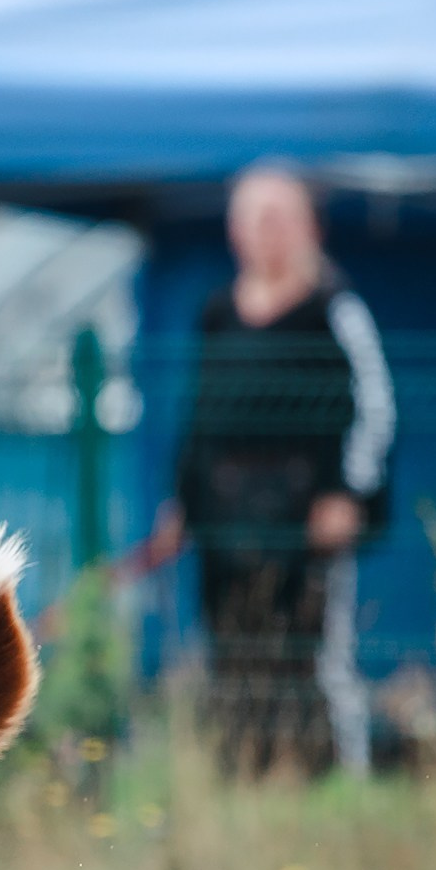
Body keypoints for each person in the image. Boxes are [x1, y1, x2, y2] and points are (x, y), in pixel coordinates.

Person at [144, 164, 396, 777]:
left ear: (309, 227)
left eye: (280, 218)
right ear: (236, 231)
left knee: (312, 655)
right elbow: (199, 417)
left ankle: (336, 782)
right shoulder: (218, 312)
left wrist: (347, 493)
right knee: (232, 653)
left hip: (304, 521)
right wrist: (183, 502)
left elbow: (375, 408)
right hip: (225, 520)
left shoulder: (334, 309)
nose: (267, 232)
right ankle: (244, 779)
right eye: (255, 219)